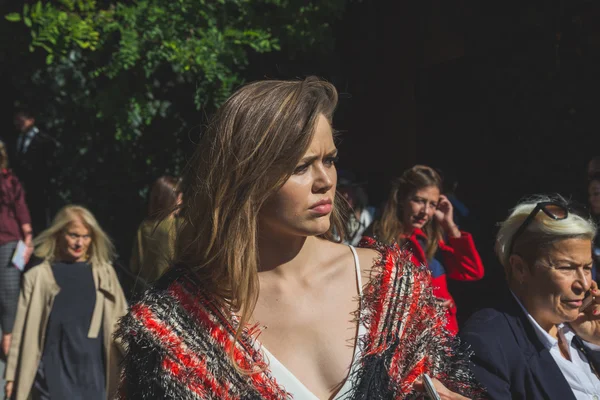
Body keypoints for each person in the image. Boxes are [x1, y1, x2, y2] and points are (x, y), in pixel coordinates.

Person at [116, 77, 483, 399]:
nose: (325, 181)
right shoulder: (178, 325)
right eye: (301, 166)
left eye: (330, 159)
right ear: (245, 179)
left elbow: (442, 381)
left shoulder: (392, 288)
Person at [460, 195, 600, 400]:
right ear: (520, 269)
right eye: (566, 268)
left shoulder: (579, 330)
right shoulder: (487, 343)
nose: (584, 284)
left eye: (587, 268)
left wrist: (596, 342)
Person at [4, 205, 128, 400]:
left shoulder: (105, 274)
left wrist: (133, 360)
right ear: (59, 233)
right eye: (73, 235)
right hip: (54, 371)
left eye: (86, 236)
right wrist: (11, 376)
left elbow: (122, 321)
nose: (80, 243)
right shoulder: (38, 277)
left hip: (94, 371)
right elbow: (21, 330)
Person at [367, 165, 484, 334]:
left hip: (444, 342)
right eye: (419, 200)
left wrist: (450, 226)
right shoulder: (379, 242)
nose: (425, 212)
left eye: (432, 204)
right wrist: (422, 305)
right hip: (407, 344)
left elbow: (472, 271)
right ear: (402, 199)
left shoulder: (429, 242)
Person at [0, 140, 33, 356]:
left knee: (9, 291)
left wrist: (28, 238)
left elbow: (20, 208)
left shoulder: (9, 181)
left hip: (9, 240)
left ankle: (8, 335)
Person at [129, 175, 181, 293]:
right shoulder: (180, 226)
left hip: (147, 293)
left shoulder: (144, 226)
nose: (181, 202)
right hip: (174, 294)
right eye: (179, 198)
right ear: (171, 199)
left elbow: (134, 265)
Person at [12, 110, 57, 234]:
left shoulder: (44, 141)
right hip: (21, 188)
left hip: (39, 188)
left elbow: (50, 166)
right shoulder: (16, 139)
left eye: (22, 121)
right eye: (17, 121)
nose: (18, 124)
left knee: (39, 219)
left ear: (31, 120)